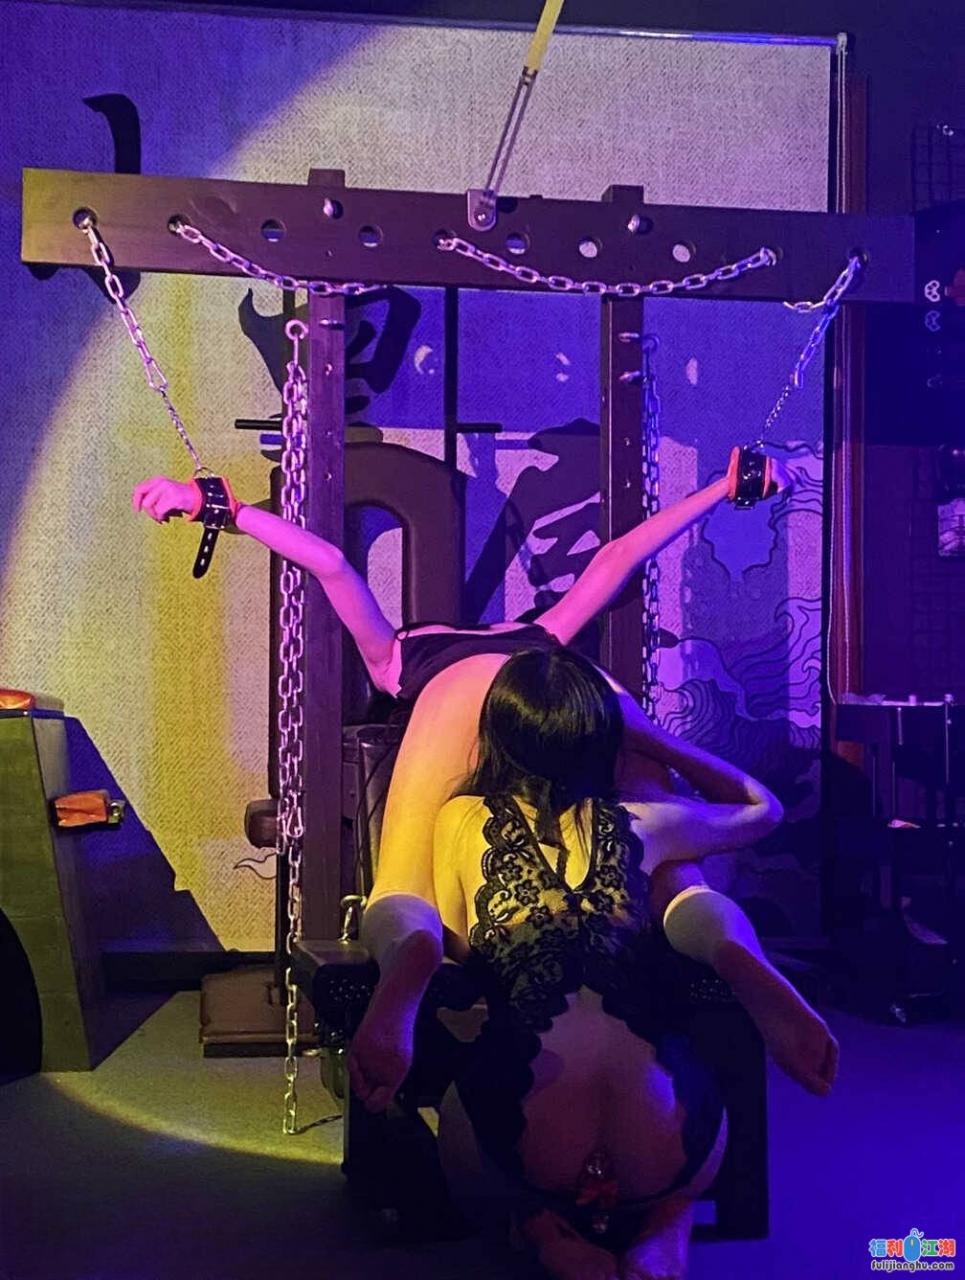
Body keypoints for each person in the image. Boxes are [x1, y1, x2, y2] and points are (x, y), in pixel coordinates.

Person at [132, 447, 834, 1114]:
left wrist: (216, 506)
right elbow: (618, 558)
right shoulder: (545, 635)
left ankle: (412, 953)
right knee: (669, 862)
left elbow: (331, 563)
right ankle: (723, 941)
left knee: (404, 883)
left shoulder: (400, 654)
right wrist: (721, 487)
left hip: (459, 694)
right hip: (579, 693)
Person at [425, 647, 832, 1280]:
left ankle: (542, 1230)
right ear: (604, 740)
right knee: (673, 1065)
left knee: (462, 1104)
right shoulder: (647, 823)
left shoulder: (460, 819)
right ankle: (666, 1223)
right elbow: (764, 808)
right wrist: (654, 739)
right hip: (667, 1135)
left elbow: (458, 946)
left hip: (528, 1134)